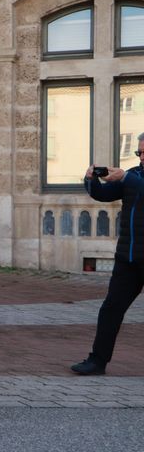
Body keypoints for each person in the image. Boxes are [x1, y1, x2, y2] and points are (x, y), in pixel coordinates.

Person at [73, 135, 144, 375]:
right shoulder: (134, 175)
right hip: (128, 259)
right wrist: (90, 180)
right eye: (139, 153)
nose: (142, 157)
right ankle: (97, 361)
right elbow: (102, 194)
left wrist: (126, 177)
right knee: (111, 309)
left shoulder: (132, 178)